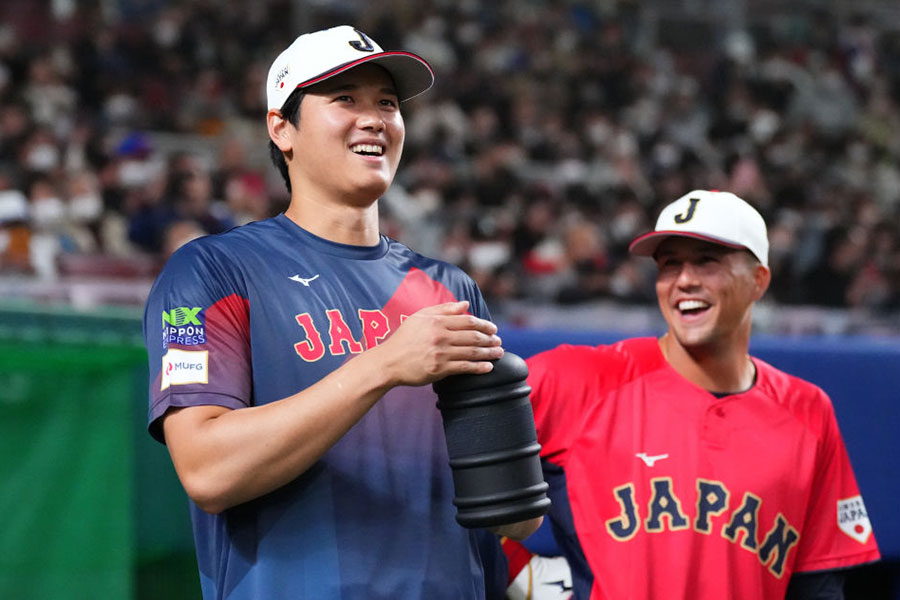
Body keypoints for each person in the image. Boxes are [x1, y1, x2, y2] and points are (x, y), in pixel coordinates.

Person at [142, 25, 540, 600]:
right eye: (345, 100)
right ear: (282, 128)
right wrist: (381, 365)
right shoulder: (210, 273)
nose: (374, 118)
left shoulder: (449, 288)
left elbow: (512, 514)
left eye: (387, 102)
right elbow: (208, 471)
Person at [525, 190, 880, 599]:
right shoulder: (579, 379)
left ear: (758, 281)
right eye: (670, 263)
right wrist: (521, 571)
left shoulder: (808, 410)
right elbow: (445, 463)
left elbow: (816, 586)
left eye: (707, 262)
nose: (685, 279)